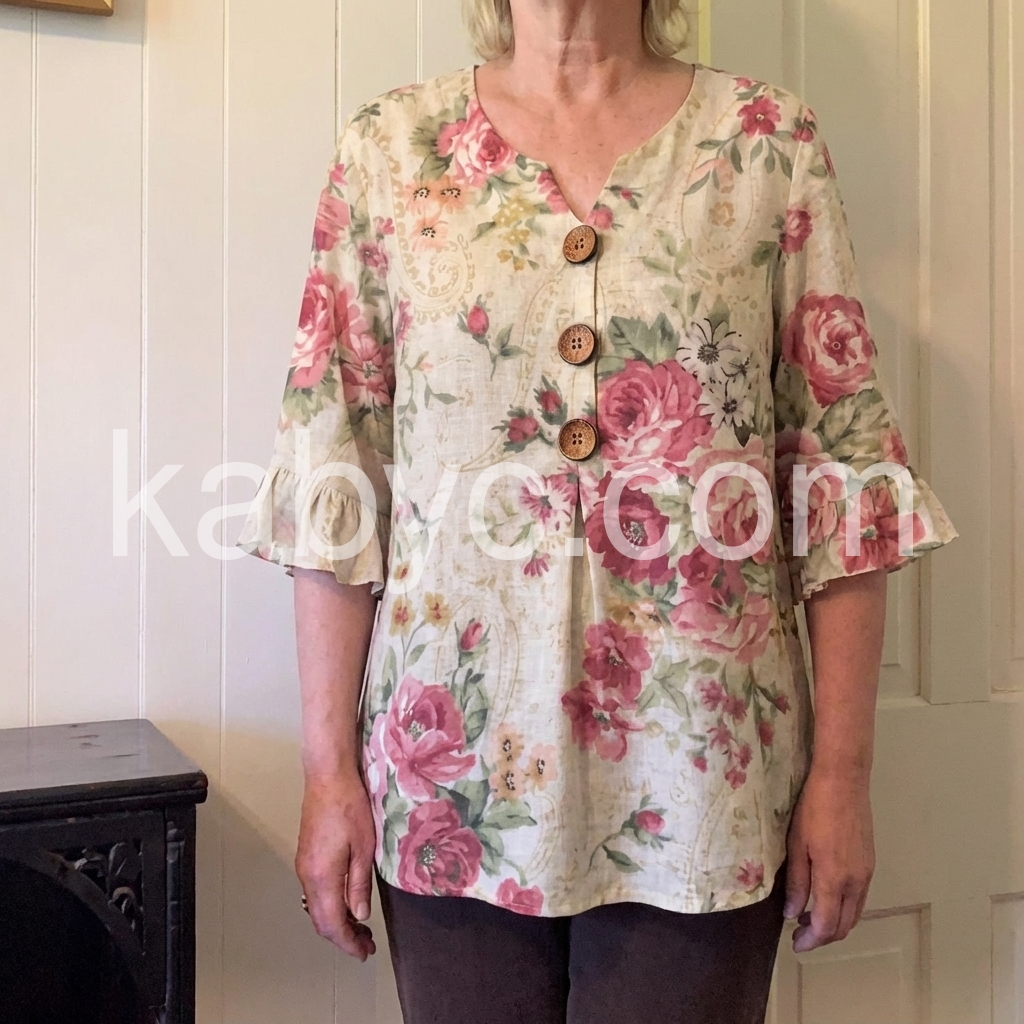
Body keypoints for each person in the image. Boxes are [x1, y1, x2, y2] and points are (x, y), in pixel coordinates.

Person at [237, 1, 957, 1020]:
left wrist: (842, 776)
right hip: (453, 780)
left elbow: (840, 481)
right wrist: (327, 776)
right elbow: (334, 480)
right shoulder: (389, 152)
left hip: (701, 783)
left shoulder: (766, 145)